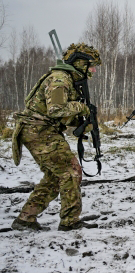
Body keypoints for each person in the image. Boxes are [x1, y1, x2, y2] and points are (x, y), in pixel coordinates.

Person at [11, 43, 102, 231]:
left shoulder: (69, 80)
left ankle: (25, 219)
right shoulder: (60, 79)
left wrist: (82, 123)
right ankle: (70, 221)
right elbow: (56, 109)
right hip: (38, 130)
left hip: (41, 130)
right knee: (71, 171)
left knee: (54, 176)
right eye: (90, 65)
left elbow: (63, 116)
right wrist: (82, 107)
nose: (93, 70)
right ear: (80, 63)